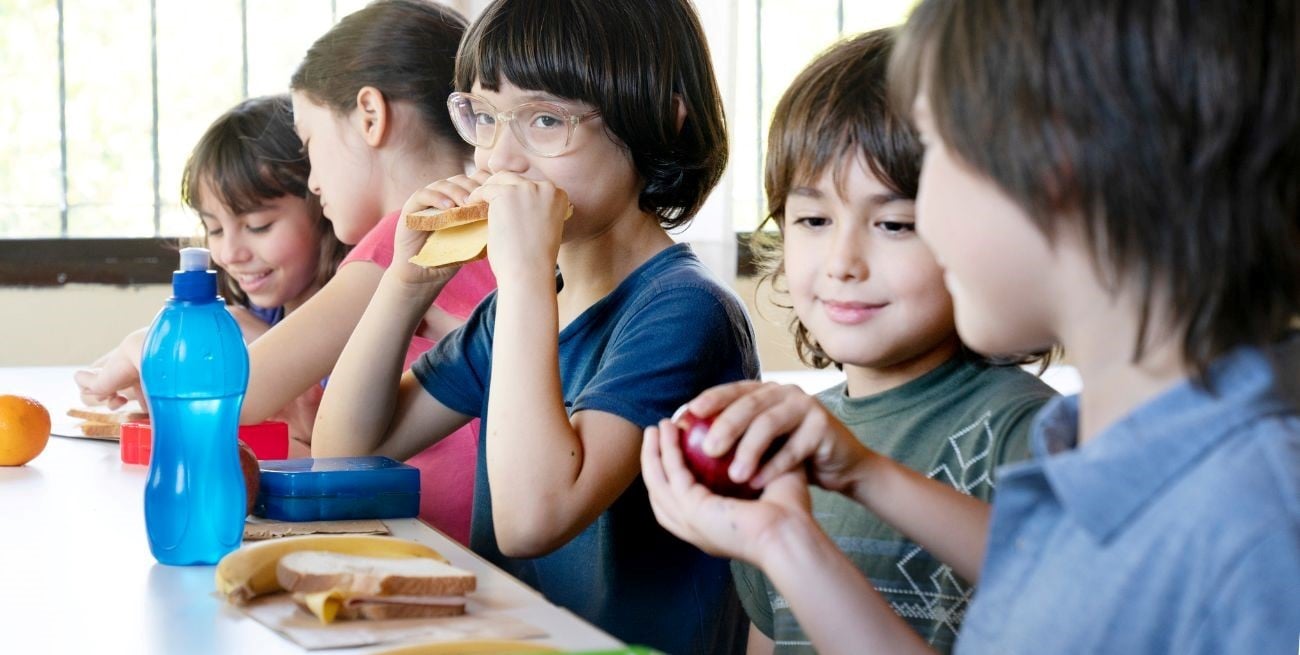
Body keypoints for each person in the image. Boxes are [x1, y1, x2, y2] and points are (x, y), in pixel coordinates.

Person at [642, 0, 1300, 653]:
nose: (924, 208)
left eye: (940, 152)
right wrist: (788, 540)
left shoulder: (1254, 522)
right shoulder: (1103, 448)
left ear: (1056, 170)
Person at [311, 1, 756, 652]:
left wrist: (522, 278)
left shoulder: (682, 311)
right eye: (484, 117)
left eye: (545, 119)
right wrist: (405, 286)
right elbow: (346, 450)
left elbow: (531, 519)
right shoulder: (521, 308)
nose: (500, 158)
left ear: (662, 115)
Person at [74, 0, 491, 545]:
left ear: (371, 115)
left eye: (310, 144)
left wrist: (142, 346)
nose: (312, 181)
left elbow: (239, 393)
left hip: (442, 538)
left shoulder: (407, 237)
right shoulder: (480, 229)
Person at [725, 30, 1056, 654]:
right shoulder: (788, 442)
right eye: (814, 220)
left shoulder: (1027, 435)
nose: (844, 261)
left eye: (895, 224)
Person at [74, 94, 346, 445]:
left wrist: (247, 333)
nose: (229, 253)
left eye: (259, 226)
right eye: (214, 229)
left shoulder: (356, 306)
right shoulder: (267, 308)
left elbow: (319, 429)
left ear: (323, 201)